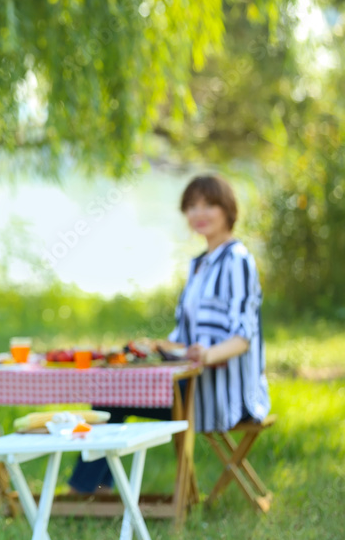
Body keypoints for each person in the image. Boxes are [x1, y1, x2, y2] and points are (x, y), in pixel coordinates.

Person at [69, 173, 270, 493]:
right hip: (191, 382)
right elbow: (185, 337)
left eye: (208, 205)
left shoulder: (237, 260)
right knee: (110, 393)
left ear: (227, 209)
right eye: (191, 207)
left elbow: (243, 337)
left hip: (222, 392)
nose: (199, 214)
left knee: (111, 398)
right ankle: (97, 489)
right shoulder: (199, 265)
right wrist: (153, 346)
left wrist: (207, 354)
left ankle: (86, 491)